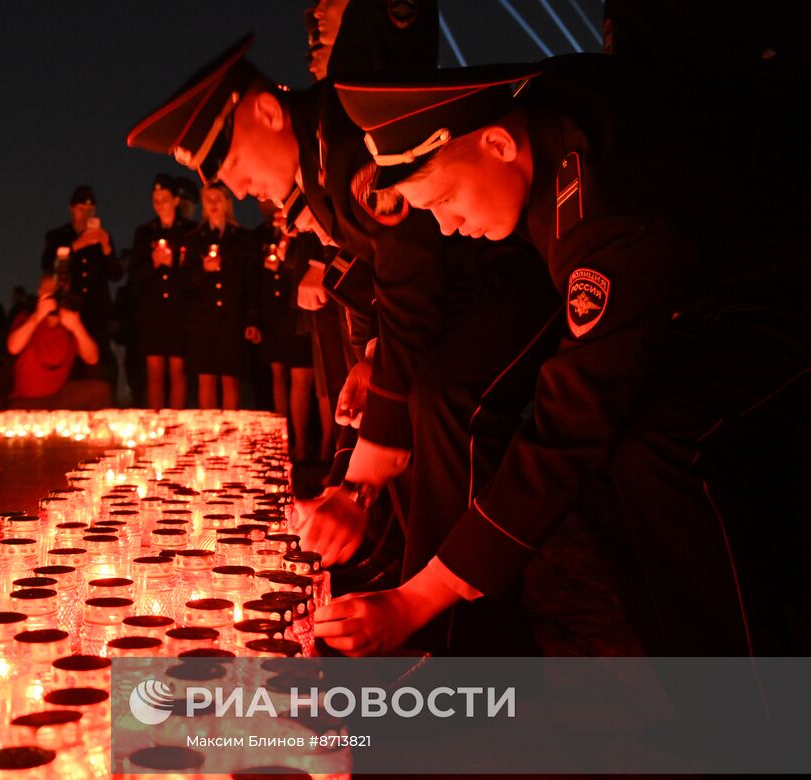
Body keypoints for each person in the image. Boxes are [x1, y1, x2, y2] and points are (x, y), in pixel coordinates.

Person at [322, 56, 809, 661]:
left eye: (445, 197)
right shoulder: (545, 135)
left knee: (663, 443)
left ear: (498, 143)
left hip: (785, 290)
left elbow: (568, 429)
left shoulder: (606, 199)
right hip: (712, 297)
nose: (445, 227)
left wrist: (414, 601)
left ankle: (758, 729)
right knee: (616, 458)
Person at [127, 32, 558, 655]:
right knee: (403, 400)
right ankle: (418, 603)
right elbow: (391, 298)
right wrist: (374, 368)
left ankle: (464, 650)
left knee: (446, 400)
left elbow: (413, 294)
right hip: (458, 300)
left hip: (508, 276)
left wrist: (358, 489)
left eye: (234, 166)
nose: (242, 189)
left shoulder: (350, 139)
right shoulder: (320, 164)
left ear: (266, 113)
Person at [181, 183, 258, 410]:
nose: (213, 204)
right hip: (203, 319)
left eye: (217, 199)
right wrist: (203, 270)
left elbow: (250, 281)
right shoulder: (194, 238)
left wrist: (252, 319)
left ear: (227, 202)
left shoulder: (243, 238)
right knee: (206, 378)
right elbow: (184, 281)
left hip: (232, 317)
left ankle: (229, 433)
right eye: (208, 199)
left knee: (230, 377)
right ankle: (210, 435)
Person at [255, 200, 320, 460]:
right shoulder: (265, 235)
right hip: (280, 314)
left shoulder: (305, 227)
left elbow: (299, 260)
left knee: (311, 379)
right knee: (281, 375)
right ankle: (285, 439)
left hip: (303, 311)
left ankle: (312, 444)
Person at [40, 185, 122, 378]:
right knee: (68, 364)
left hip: (96, 312)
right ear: (71, 209)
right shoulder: (57, 236)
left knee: (97, 364)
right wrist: (76, 246)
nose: (85, 214)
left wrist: (106, 248)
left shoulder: (104, 237)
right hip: (68, 309)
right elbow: (47, 265)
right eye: (81, 209)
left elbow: (116, 274)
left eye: (90, 210)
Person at [127, 174, 195, 409]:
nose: (159, 205)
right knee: (154, 371)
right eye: (155, 200)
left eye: (164, 199)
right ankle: (157, 423)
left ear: (176, 200)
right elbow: (134, 274)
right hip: (153, 311)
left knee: (178, 370)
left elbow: (193, 273)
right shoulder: (144, 233)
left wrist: (175, 261)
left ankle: (175, 423)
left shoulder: (190, 231)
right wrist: (153, 263)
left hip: (180, 311)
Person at [6, 274, 111, 410]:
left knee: (100, 391)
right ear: (40, 293)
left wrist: (77, 328)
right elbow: (13, 347)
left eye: (58, 291)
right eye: (48, 291)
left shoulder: (69, 322)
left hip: (57, 398)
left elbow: (92, 358)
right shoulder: (27, 317)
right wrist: (37, 317)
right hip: (25, 402)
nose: (54, 296)